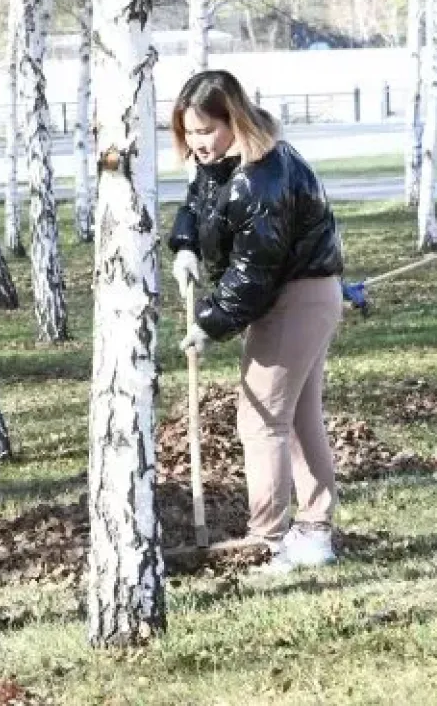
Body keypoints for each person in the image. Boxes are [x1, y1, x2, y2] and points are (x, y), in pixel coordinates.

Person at [167, 70, 345, 574]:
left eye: (206, 131)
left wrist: (208, 323)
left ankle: (267, 540)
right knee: (297, 418)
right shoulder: (224, 163)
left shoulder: (260, 175)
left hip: (294, 298)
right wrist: (184, 247)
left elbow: (253, 272)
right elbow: (197, 205)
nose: (198, 144)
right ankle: (314, 532)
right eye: (189, 133)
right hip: (288, 296)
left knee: (261, 419)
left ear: (234, 119)